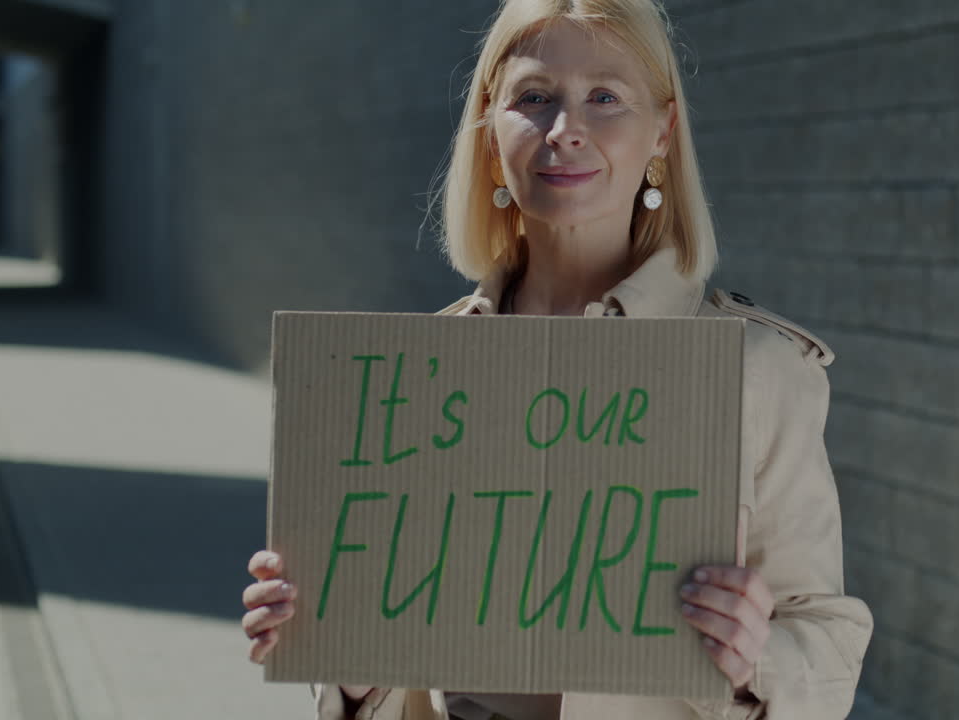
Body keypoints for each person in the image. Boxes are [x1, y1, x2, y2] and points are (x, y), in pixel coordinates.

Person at [241, 1, 873, 718]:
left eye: (605, 98)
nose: (565, 131)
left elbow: (826, 647)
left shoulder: (755, 368)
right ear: (490, 131)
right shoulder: (422, 375)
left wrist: (755, 654)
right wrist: (342, 657)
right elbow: (388, 682)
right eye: (534, 98)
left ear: (661, 131)